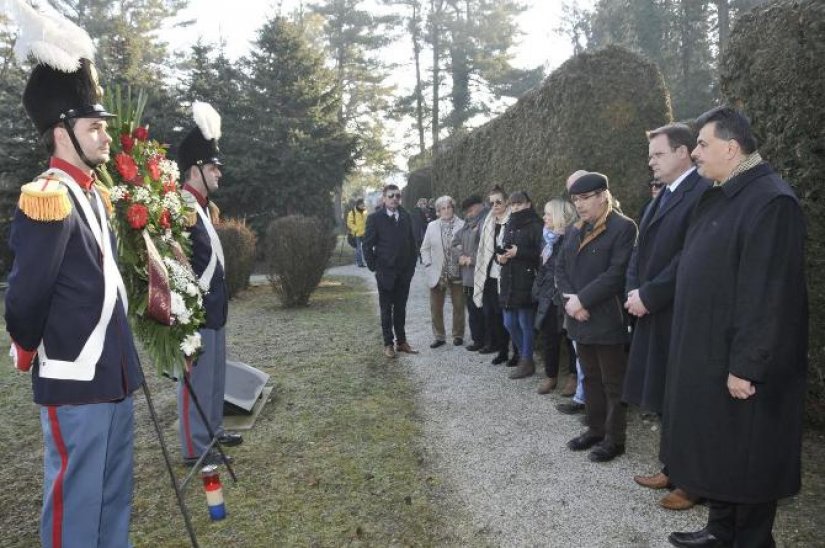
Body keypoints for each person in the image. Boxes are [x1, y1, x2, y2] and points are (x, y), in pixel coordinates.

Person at [5, 25, 143, 546]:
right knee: (75, 512)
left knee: (111, 504)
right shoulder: (48, 198)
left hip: (113, 379)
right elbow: (23, 302)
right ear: (63, 129)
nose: (106, 135)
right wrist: (42, 351)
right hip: (76, 383)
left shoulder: (91, 195)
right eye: (95, 126)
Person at [662, 106, 807, 548]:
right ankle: (719, 531)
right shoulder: (722, 192)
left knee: (748, 459)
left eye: (702, 145)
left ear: (731, 146)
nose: (696, 153)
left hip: (745, 364)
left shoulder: (771, 201)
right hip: (711, 352)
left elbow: (770, 293)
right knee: (720, 451)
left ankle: (749, 540)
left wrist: (747, 364)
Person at [623, 123, 710, 511]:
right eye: (650, 155)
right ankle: (672, 466)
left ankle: (692, 482)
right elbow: (643, 249)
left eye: (658, 154)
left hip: (679, 310)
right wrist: (633, 290)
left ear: (682, 152)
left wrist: (651, 294)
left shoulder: (702, 192)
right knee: (666, 396)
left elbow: (690, 255)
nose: (650, 162)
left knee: (687, 397)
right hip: (654, 308)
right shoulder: (665, 194)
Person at [176, 102, 243, 467]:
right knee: (196, 382)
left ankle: (212, 431)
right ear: (196, 169)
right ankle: (195, 446)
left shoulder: (202, 206)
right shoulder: (182, 206)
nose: (218, 172)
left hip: (213, 308)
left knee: (215, 377)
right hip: (195, 312)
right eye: (213, 166)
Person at [556, 172, 637, 462]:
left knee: (612, 382)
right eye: (575, 199)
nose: (579, 204)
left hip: (607, 317)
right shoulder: (575, 229)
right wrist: (571, 301)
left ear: (603, 195)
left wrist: (583, 299)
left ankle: (614, 439)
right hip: (578, 316)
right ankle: (594, 429)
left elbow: (616, 273)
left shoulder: (623, 227)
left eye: (585, 197)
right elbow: (561, 268)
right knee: (589, 376)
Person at [363, 184, 420, 358]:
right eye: (391, 196)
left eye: (397, 196)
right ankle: (388, 343)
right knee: (386, 309)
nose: (395, 199)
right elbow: (367, 245)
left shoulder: (406, 216)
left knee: (401, 309)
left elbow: (412, 243)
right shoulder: (375, 218)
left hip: (404, 273)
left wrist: (411, 268)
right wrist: (375, 267)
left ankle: (401, 342)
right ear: (384, 198)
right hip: (385, 273)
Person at [497, 191, 543, 379]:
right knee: (509, 323)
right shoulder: (509, 224)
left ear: (528, 204)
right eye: (513, 204)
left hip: (527, 280)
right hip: (509, 279)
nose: (516, 207)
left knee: (525, 323)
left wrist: (520, 252)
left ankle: (526, 361)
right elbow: (503, 248)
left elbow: (542, 255)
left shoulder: (536, 225)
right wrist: (500, 257)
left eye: (519, 204)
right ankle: (527, 356)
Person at [533, 198, 578, 394]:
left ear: (559, 216)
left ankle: (573, 377)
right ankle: (551, 376)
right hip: (547, 295)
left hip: (565, 295)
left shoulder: (571, 237)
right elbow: (542, 267)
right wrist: (538, 289)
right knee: (549, 336)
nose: (544, 217)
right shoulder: (546, 237)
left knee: (570, 338)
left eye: (548, 214)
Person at [472, 185, 515, 365]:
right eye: (492, 203)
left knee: (507, 317)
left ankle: (516, 352)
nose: (495, 205)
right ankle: (501, 350)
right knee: (492, 314)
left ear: (506, 202)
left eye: (498, 201)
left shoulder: (512, 220)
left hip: (506, 275)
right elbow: (483, 248)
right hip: (490, 274)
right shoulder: (489, 221)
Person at [421, 196, 466, 348]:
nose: (446, 211)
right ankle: (439, 336)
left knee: (459, 305)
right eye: (442, 208)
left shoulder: (463, 225)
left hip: (457, 271)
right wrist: (427, 264)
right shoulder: (431, 226)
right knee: (436, 306)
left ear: (453, 208)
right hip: (437, 272)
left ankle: (458, 335)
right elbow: (424, 248)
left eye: (449, 207)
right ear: (438, 211)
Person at [453, 195, 488, 351]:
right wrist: (460, 255)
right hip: (468, 276)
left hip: (481, 275)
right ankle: (478, 340)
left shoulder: (486, 222)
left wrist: (470, 259)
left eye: (471, 209)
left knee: (484, 310)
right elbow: (454, 243)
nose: (469, 213)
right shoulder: (467, 225)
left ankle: (488, 341)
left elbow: (485, 249)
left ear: (479, 206)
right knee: (473, 310)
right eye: (467, 211)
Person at [346, 198, 368, 267]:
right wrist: (356, 229)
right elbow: (349, 223)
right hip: (357, 234)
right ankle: (360, 263)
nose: (363, 205)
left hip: (364, 233)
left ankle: (367, 262)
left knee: (366, 248)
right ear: (358, 205)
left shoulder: (365, 212)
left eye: (363, 204)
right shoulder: (352, 212)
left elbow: (367, 221)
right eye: (362, 204)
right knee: (358, 249)